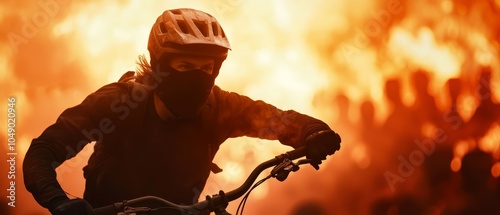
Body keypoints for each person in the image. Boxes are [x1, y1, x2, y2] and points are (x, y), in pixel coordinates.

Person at [23, 8, 341, 215]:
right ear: (160, 66)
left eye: (207, 68)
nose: (197, 78)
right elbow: (43, 150)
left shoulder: (221, 108)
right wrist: (60, 202)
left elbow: (279, 120)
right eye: (185, 66)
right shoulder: (119, 104)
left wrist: (314, 132)